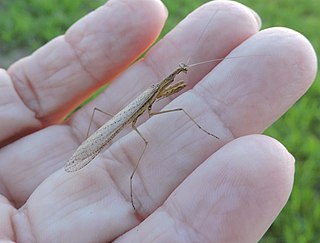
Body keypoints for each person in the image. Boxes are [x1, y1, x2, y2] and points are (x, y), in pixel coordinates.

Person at [0, 0, 317, 242]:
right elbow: (160, 108)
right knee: (147, 135)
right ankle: (123, 179)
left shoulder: (160, 88)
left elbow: (167, 93)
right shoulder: (155, 92)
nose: (182, 73)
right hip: (119, 125)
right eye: (180, 72)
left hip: (130, 116)